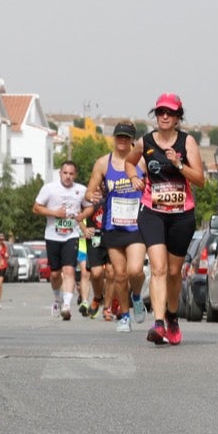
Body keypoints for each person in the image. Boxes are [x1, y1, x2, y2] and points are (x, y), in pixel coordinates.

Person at [137, 93, 206, 345]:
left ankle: (172, 316)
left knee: (174, 272)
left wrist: (178, 165)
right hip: (152, 212)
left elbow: (200, 180)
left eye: (170, 112)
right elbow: (131, 164)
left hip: (181, 215)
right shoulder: (144, 142)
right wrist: (134, 177)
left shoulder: (187, 143)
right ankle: (157, 324)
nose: (164, 116)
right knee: (158, 268)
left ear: (178, 117)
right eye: (160, 112)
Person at [84, 121, 146, 332]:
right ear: (114, 138)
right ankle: (125, 316)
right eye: (119, 136)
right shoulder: (103, 163)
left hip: (137, 225)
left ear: (132, 140)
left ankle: (137, 296)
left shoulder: (142, 161)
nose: (122, 140)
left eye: (126, 137)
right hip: (113, 226)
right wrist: (92, 195)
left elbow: (153, 185)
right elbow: (89, 192)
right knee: (119, 275)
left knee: (135, 271)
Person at [34, 160, 90, 321]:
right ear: (60, 173)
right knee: (55, 274)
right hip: (52, 235)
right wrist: (54, 213)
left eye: (71, 174)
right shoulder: (49, 189)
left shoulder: (80, 190)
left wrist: (82, 216)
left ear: (75, 175)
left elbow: (89, 207)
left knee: (69, 270)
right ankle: (57, 299)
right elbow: (36, 208)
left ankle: (66, 305)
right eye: (65, 173)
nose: (68, 177)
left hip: (71, 236)